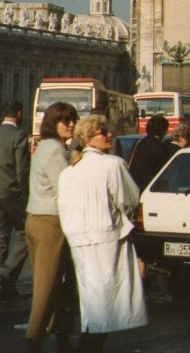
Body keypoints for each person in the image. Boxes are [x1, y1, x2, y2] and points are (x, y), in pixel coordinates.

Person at [57, 115, 148, 350]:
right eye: (103, 132)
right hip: (108, 241)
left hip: (79, 243)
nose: (109, 135)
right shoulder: (113, 164)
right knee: (106, 306)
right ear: (89, 140)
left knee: (93, 304)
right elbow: (129, 200)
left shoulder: (68, 173)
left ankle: (88, 346)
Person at [25, 102, 78, 352]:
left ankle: (57, 334)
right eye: (64, 120)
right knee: (46, 288)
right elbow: (65, 190)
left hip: (35, 218)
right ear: (52, 123)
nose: (71, 125)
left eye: (73, 120)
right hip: (50, 222)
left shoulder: (44, 147)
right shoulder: (56, 150)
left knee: (49, 283)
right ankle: (34, 339)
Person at [0, 98, 30, 301]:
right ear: (19, 113)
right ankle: (7, 272)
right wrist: (26, 195)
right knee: (28, 234)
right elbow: (22, 170)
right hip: (13, 194)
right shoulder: (19, 135)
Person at [127, 114, 172, 191]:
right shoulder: (160, 147)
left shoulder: (138, 142)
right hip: (151, 188)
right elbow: (166, 171)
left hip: (134, 186)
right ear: (162, 130)